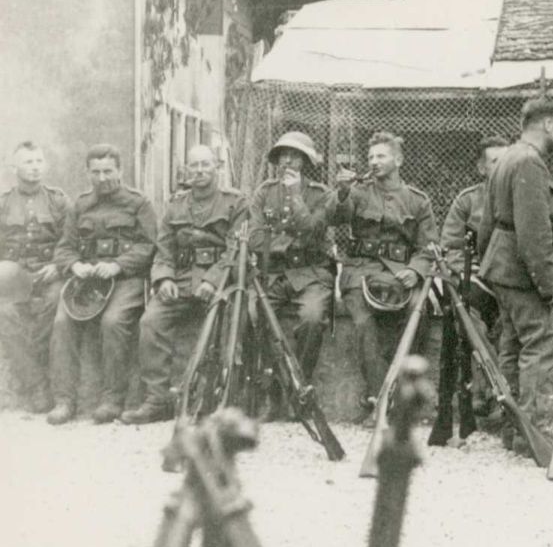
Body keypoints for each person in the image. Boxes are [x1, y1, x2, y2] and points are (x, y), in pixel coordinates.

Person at [121, 145, 248, 424]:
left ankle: (212, 400)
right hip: (179, 280)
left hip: (221, 281)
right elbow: (163, 248)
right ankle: (157, 400)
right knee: (151, 321)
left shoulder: (235, 202)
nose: (199, 171)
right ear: (186, 170)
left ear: (217, 167)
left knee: (225, 327)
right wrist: (164, 277)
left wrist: (212, 280)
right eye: (194, 166)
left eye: (205, 165)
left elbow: (235, 250)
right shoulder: (176, 204)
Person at [327, 130, 438, 415]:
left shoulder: (417, 201)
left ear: (398, 160)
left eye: (381, 156)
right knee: (364, 323)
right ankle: (379, 397)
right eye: (370, 157)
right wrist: (342, 192)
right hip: (359, 273)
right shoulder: (357, 192)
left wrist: (415, 271)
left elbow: (428, 247)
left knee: (418, 311)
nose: (374, 162)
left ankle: (402, 391)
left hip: (400, 274)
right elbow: (334, 217)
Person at [47, 144, 156, 424]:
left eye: (108, 171)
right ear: (87, 173)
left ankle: (112, 399)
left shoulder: (139, 203)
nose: (102, 178)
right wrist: (76, 265)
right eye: (95, 172)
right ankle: (64, 400)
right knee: (61, 322)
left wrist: (117, 265)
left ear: (120, 171)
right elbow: (65, 247)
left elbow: (149, 246)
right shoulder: (80, 205)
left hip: (125, 279)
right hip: (88, 282)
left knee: (113, 322)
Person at [478, 97, 553, 450]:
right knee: (540, 346)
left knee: (512, 346)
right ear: (546, 124)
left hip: (502, 266)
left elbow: (486, 222)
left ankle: (513, 431)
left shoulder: (507, 158)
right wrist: (550, 285)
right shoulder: (530, 162)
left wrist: (488, 263)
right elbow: (534, 234)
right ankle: (535, 435)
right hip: (521, 269)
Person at [247, 130, 332, 389]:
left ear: (304, 161)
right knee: (250, 314)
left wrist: (296, 195)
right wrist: (290, 244)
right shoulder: (264, 193)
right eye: (283, 155)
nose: (287, 161)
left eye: (294, 156)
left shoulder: (321, 194)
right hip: (272, 274)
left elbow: (313, 232)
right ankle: (266, 381)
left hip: (311, 275)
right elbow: (255, 239)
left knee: (312, 318)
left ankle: (299, 385)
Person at [0, 141, 69, 413]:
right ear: (13, 167)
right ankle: (37, 384)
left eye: (39, 161)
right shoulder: (3, 203)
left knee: (56, 303)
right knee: (5, 313)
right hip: (14, 274)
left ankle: (44, 374)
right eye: (28, 162)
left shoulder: (58, 200)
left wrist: (58, 265)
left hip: (50, 271)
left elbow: (71, 239)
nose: (35, 167)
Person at [440, 135, 509, 332]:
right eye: (495, 162)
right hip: (477, 278)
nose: (503, 167)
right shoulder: (467, 201)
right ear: (482, 168)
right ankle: (481, 352)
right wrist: (470, 272)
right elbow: (451, 248)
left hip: (511, 278)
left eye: (507, 161)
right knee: (467, 309)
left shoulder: (524, 200)